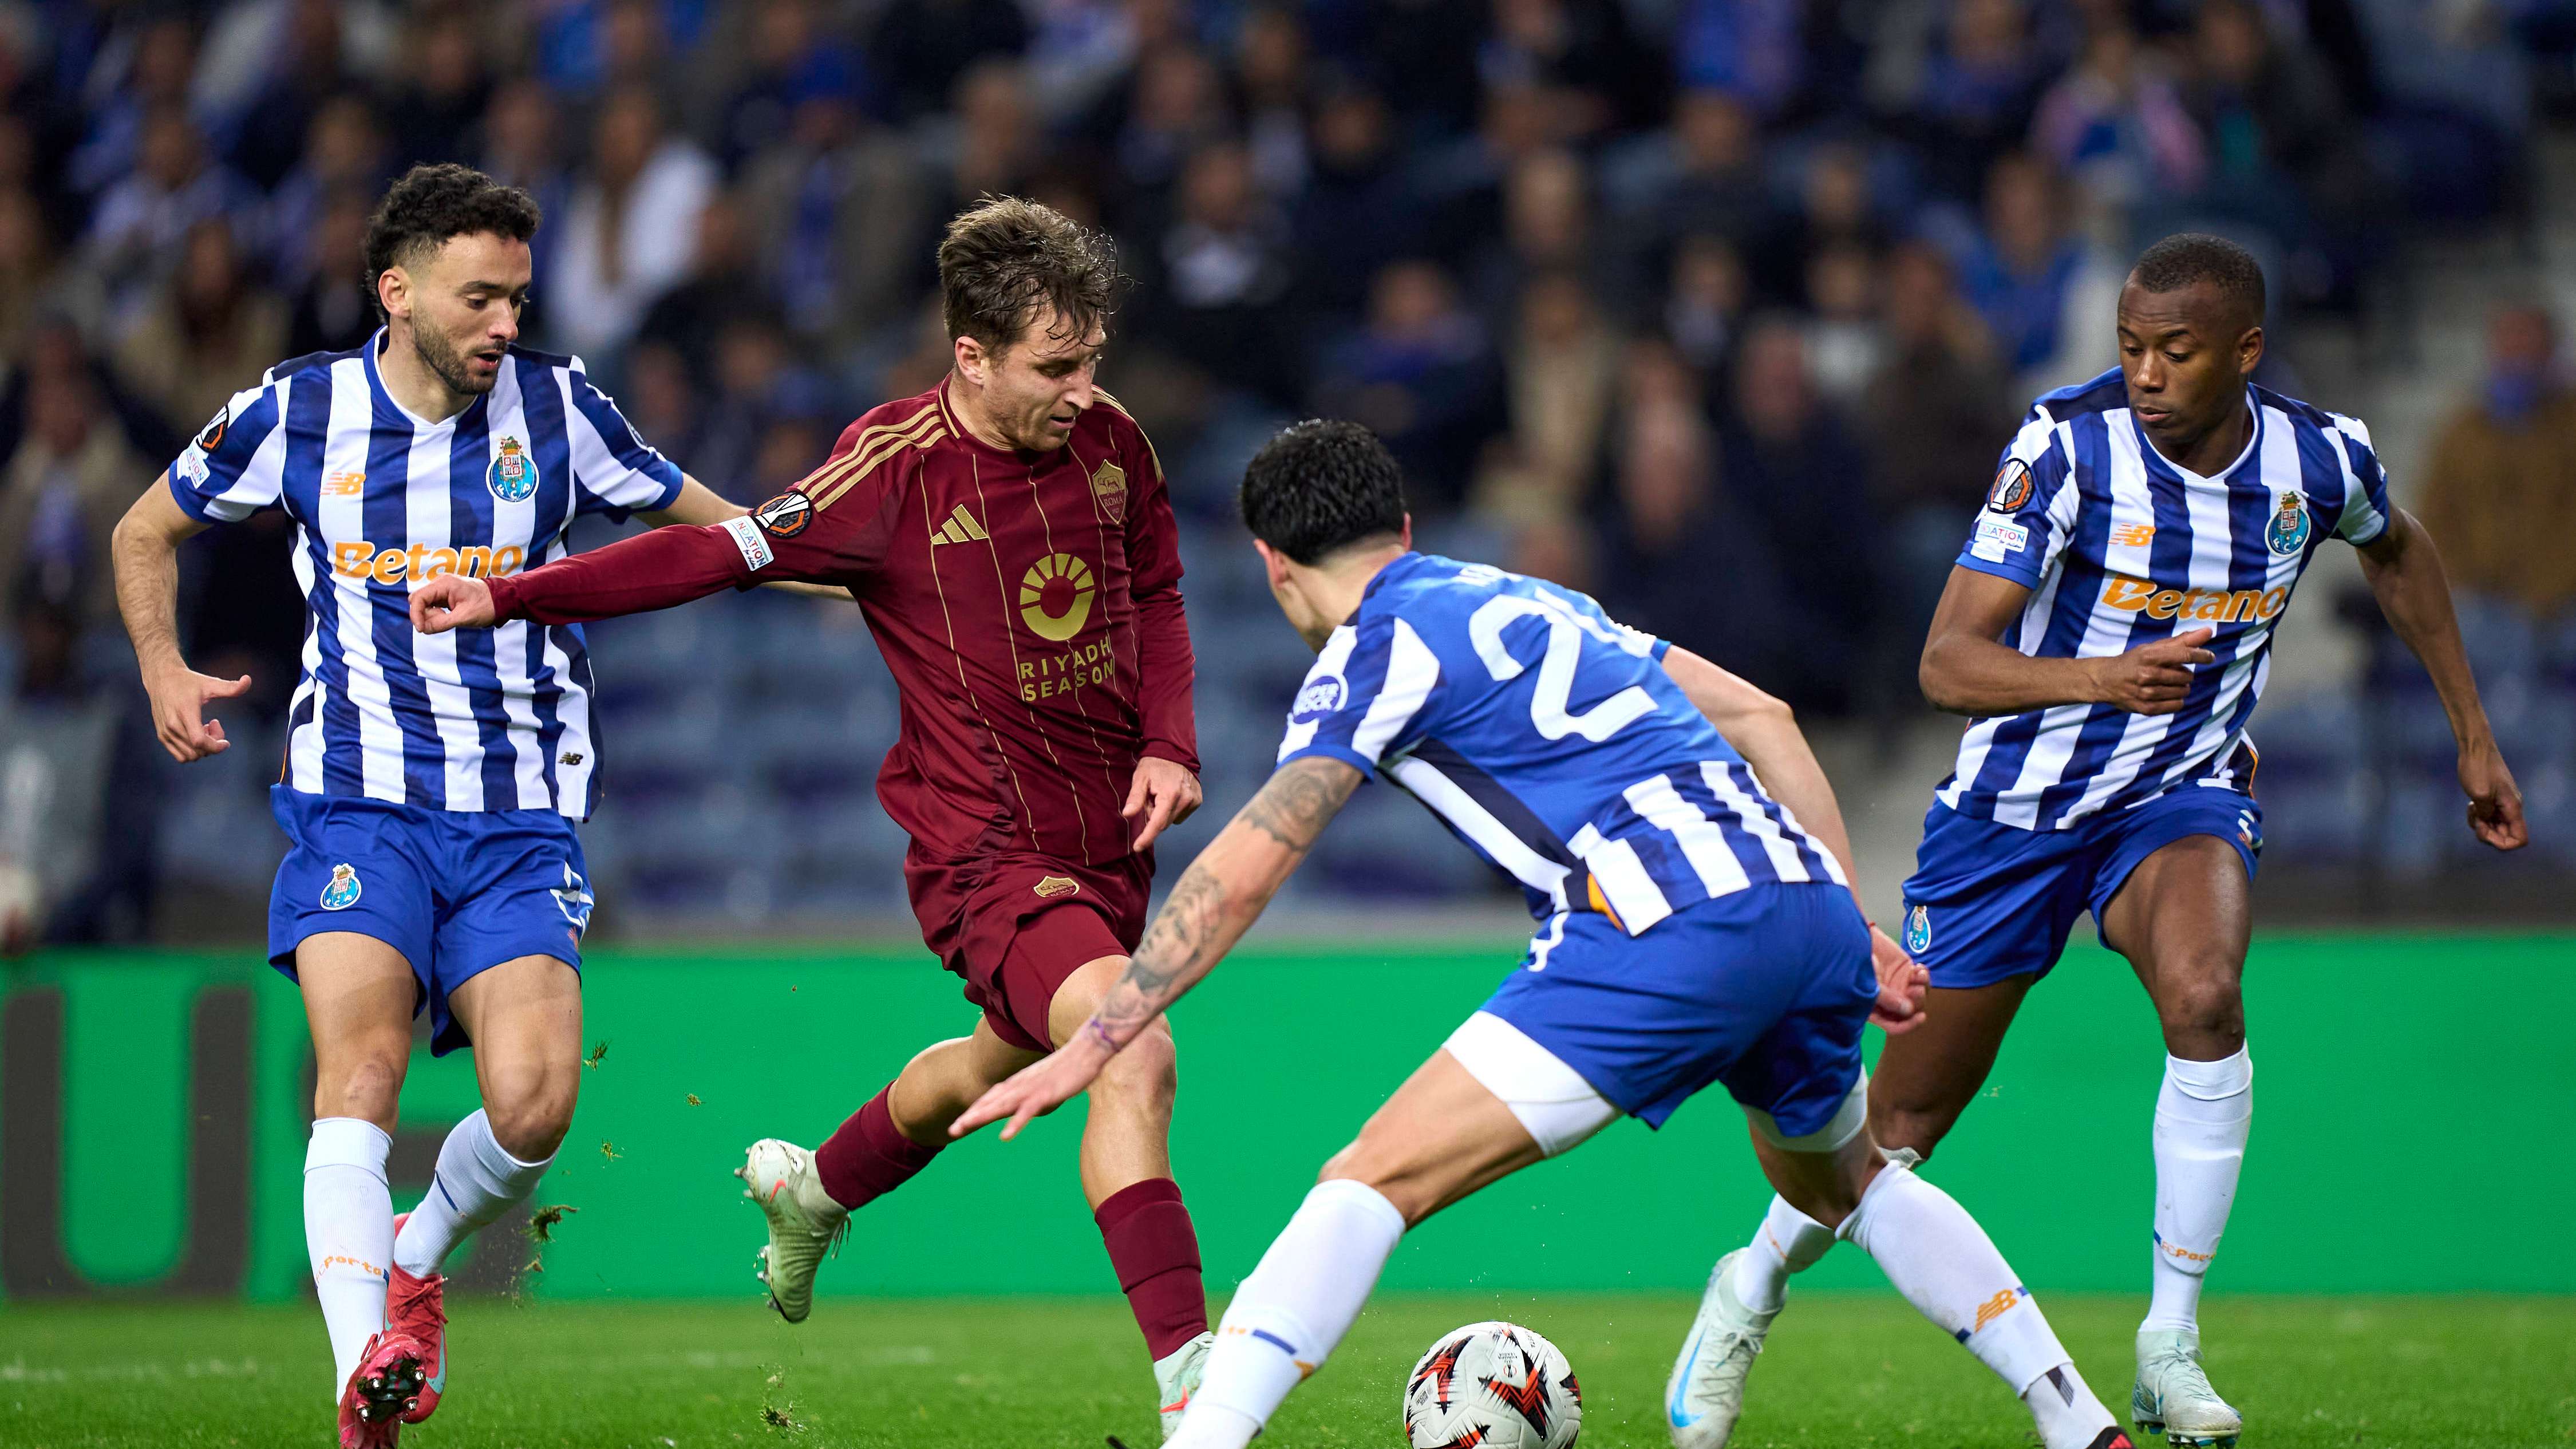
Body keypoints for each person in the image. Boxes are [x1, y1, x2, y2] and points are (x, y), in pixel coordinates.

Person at [951, 420, 2140, 1449]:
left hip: (1660, 920)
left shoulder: (1372, 648)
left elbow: (1251, 861)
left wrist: (1100, 1037)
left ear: (1273, 566)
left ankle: (1208, 1435)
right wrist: (1849, 917)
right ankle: (2074, 1416)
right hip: (1799, 902)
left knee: (1371, 1178)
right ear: (1406, 525)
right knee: (1852, 1180)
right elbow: (1766, 717)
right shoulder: (1535, 595)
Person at [1684, 233, 2528, 1449]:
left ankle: (2167, 1347)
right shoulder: (2064, 445)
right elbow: (1946, 663)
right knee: (1898, 1133)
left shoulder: (2318, 456)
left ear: (2244, 353)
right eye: (2132, 347)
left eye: (2174, 353)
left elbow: (2397, 549)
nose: (2144, 372)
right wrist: (2104, 674)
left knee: (2205, 999)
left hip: (2178, 798)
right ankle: (1749, 1286)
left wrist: (2473, 735)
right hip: (2014, 819)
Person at [409, 196, 1216, 1438]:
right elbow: (714, 553)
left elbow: (1157, 589)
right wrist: (513, 594)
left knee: (988, 1068)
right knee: (1133, 1052)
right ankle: (1195, 1387)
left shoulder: (1111, 442)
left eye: (1093, 359)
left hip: (1109, 847)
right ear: (970, 356)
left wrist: (1168, 740)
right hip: (985, 852)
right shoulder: (893, 473)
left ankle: (814, 1188)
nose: (1084, 390)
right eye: (1055, 367)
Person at [109, 163, 760, 1449]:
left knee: (535, 1105)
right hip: (358, 803)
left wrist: (877, 577)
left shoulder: (561, 411)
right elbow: (143, 532)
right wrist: (159, 665)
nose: (507, 325)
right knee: (359, 1066)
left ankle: (412, 1259)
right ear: (396, 293)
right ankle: (369, 1373)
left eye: (518, 298)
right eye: (481, 300)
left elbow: (724, 535)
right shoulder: (298, 411)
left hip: (518, 817)